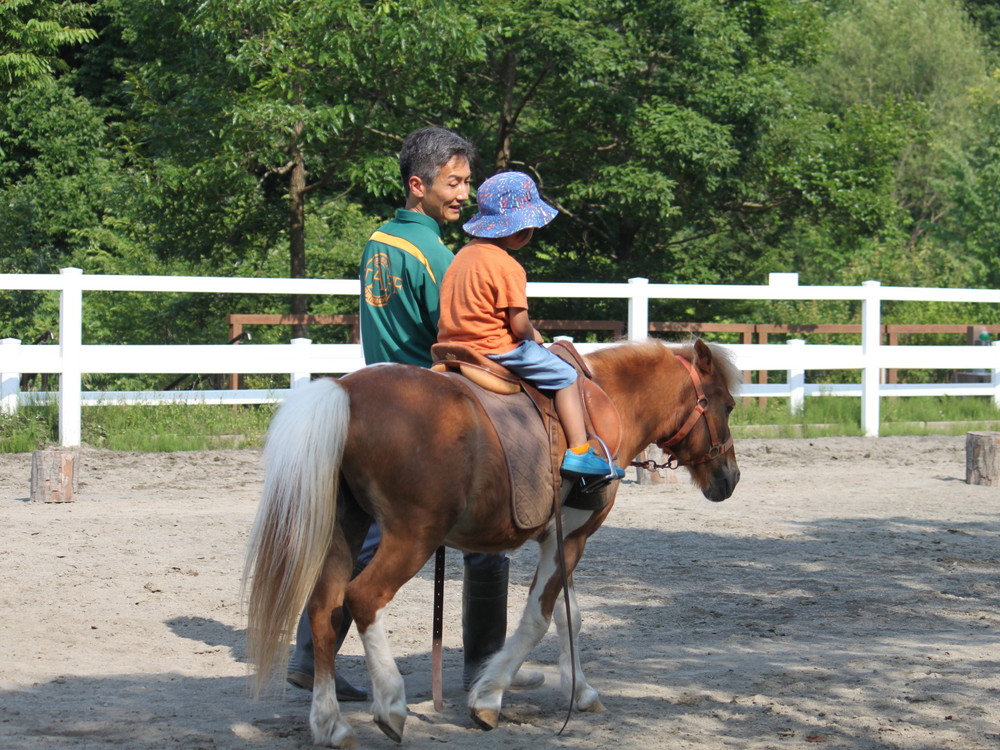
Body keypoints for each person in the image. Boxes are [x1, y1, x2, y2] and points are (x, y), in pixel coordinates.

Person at [287, 127, 544, 697]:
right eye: (454, 183)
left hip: (376, 390)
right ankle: (481, 665)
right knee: (486, 526)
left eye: (466, 182)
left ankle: (310, 653)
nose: (463, 194)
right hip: (430, 404)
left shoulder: (377, 242)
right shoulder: (436, 255)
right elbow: (455, 332)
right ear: (417, 185)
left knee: (362, 532)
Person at [438, 171, 626, 479]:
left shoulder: (462, 256)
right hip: (495, 349)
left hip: (452, 347)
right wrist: (534, 334)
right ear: (521, 230)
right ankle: (578, 451)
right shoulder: (508, 266)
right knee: (565, 376)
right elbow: (519, 325)